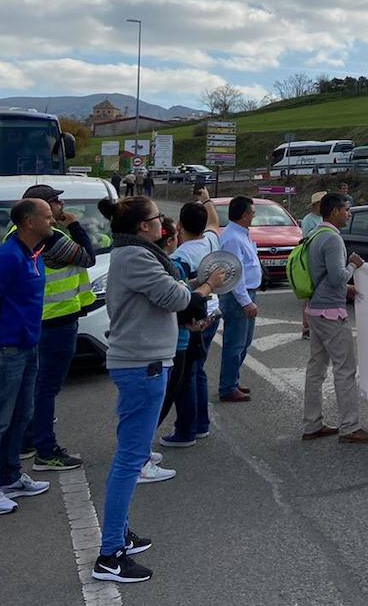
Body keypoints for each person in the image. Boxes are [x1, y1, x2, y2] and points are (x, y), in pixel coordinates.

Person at [92, 196, 222, 583]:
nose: (162, 224)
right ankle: (109, 555)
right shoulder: (136, 257)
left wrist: (194, 295)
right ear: (141, 227)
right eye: (155, 219)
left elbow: (171, 294)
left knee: (129, 455)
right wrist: (209, 285)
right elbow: (175, 297)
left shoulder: (139, 254)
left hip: (145, 360)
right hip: (141, 365)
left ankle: (120, 535)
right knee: (130, 460)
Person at [0, 197, 54, 517]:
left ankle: (11, 475)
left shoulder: (34, 254)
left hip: (27, 346)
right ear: (29, 222)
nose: (52, 220)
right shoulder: (6, 258)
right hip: (3, 349)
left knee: (21, 415)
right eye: (47, 216)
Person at [11, 184, 97, 473]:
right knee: (46, 388)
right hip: (56, 321)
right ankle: (46, 451)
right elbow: (87, 256)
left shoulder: (14, 236)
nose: (61, 206)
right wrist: (75, 224)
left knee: (34, 385)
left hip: (34, 320)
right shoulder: (53, 239)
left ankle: (26, 440)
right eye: (55, 202)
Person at [300, 194, 368, 444]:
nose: (349, 213)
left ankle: (312, 423)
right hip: (331, 312)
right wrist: (353, 265)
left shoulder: (314, 234)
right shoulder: (333, 239)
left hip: (315, 309)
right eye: (346, 209)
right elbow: (336, 277)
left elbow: (322, 275)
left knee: (316, 370)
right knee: (345, 369)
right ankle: (350, 426)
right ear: (334, 212)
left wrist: (346, 288)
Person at [162, 202, 220, 447]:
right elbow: (215, 225)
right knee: (198, 371)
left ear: (180, 225)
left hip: (192, 318)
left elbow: (179, 293)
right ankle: (201, 424)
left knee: (187, 375)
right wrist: (206, 199)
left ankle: (187, 429)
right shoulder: (210, 242)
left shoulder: (179, 257)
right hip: (213, 312)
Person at [217, 196, 261, 403]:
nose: (254, 216)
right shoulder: (233, 237)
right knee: (235, 343)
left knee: (244, 342)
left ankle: (232, 380)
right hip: (238, 297)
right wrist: (245, 301)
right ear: (244, 215)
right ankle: (227, 386)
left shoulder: (242, 234)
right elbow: (234, 273)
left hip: (248, 293)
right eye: (252, 212)